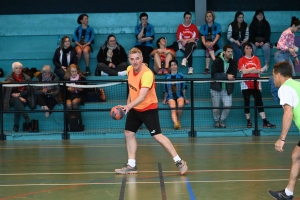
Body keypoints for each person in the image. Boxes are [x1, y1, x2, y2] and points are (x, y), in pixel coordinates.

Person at [115, 48, 188, 175]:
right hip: (135, 108)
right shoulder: (129, 70)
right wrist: (128, 104)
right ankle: (131, 165)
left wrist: (128, 106)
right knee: (129, 133)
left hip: (149, 109)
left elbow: (142, 96)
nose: (135, 61)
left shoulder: (147, 74)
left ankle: (179, 161)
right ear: (129, 60)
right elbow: (132, 89)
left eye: (137, 58)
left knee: (158, 136)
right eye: (132, 59)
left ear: (142, 59)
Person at [268, 61, 300, 200]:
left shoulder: (285, 88)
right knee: (296, 156)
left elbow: (288, 113)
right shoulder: (297, 84)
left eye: (273, 76)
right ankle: (288, 193)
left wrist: (282, 139)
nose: (273, 79)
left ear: (279, 75)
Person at [238, 43, 275, 128]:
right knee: (246, 103)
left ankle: (265, 121)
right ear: (244, 50)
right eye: (246, 48)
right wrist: (252, 69)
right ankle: (248, 121)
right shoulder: (241, 60)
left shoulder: (256, 59)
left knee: (259, 103)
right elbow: (243, 72)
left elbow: (258, 71)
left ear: (252, 49)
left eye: (250, 48)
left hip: (256, 83)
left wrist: (249, 70)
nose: (248, 50)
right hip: (245, 84)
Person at [210, 45, 237, 128]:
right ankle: (216, 120)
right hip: (216, 89)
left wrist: (228, 76)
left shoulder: (233, 62)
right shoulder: (217, 61)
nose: (230, 53)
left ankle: (222, 119)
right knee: (216, 108)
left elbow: (234, 75)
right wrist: (226, 76)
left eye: (231, 52)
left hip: (227, 89)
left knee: (228, 106)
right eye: (228, 52)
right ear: (224, 52)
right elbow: (214, 75)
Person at [2, 62, 31, 132]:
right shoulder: (8, 79)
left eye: (20, 68)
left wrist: (20, 95)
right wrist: (15, 95)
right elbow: (7, 92)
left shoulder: (27, 78)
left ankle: (16, 125)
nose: (18, 70)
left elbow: (28, 91)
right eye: (16, 68)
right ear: (13, 69)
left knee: (17, 104)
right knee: (16, 100)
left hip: (24, 98)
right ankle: (25, 115)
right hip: (11, 99)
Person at [162, 59, 189, 129]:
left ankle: (177, 120)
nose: (173, 66)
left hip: (180, 95)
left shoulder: (181, 76)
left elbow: (184, 88)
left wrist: (185, 99)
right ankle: (176, 124)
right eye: (172, 65)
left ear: (177, 66)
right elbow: (165, 89)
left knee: (180, 106)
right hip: (170, 96)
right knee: (173, 109)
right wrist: (165, 99)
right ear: (170, 67)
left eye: (175, 65)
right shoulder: (167, 77)